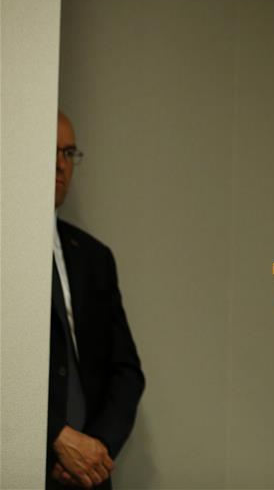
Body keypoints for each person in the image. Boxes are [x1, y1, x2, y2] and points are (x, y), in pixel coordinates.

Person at [48, 112, 144, 489]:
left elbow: (126, 371)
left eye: (68, 152)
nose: (60, 164)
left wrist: (94, 451)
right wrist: (54, 437)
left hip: (85, 478)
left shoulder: (93, 256)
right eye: (50, 150)